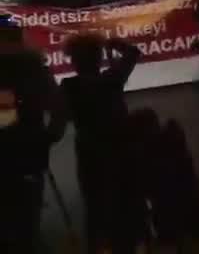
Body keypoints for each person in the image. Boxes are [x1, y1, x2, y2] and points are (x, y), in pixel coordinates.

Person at [61, 34, 145, 252]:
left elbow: (62, 116)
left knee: (95, 207)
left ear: (74, 61)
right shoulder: (112, 79)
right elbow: (133, 53)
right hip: (120, 149)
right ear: (98, 58)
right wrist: (117, 45)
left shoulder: (69, 86)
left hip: (90, 153)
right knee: (125, 202)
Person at [0, 20, 67, 252]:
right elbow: (58, 106)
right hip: (30, 146)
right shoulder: (35, 67)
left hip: (15, 146)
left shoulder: (34, 68)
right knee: (29, 198)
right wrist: (51, 135)